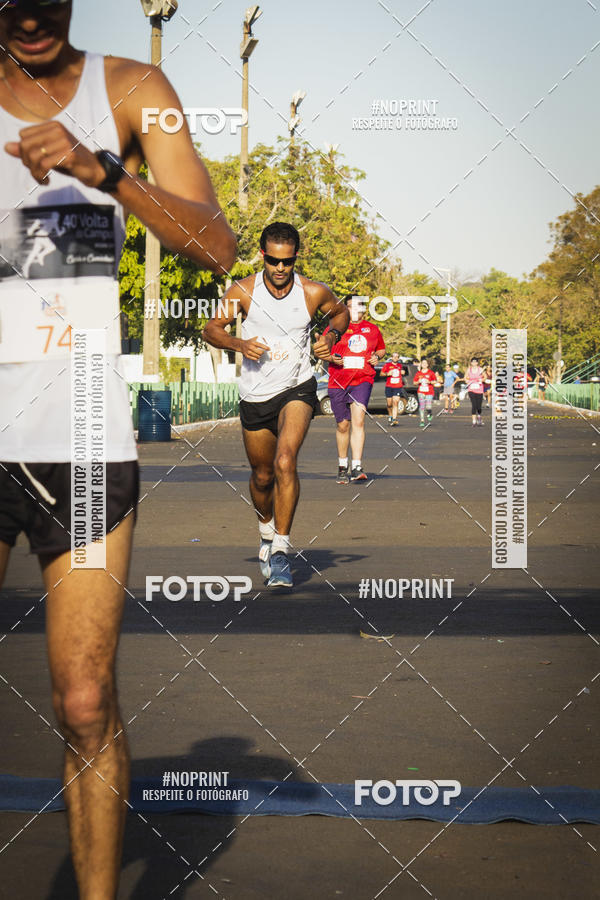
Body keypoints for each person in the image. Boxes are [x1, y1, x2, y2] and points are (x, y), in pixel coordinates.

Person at [0, 3, 236, 897]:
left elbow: (217, 245)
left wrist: (105, 171)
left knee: (86, 700)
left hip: (83, 440)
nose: (31, 15)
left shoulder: (134, 89)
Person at [203, 222, 349, 588]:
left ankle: (282, 549)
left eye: (287, 262)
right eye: (273, 261)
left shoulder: (312, 291)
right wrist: (239, 344)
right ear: (263, 256)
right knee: (262, 475)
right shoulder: (243, 291)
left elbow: (340, 313)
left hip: (296, 387)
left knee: (285, 460)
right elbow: (211, 329)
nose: (280, 268)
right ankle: (266, 532)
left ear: (296, 257)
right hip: (255, 394)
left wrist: (330, 335)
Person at [325, 295, 386, 483]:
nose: (355, 310)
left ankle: (357, 466)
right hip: (338, 381)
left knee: (358, 421)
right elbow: (321, 350)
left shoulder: (372, 329)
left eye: (359, 306)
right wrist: (331, 358)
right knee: (343, 425)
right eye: (351, 306)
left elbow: (381, 349)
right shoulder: (335, 328)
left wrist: (377, 357)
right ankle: (343, 465)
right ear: (345, 309)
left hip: (362, 379)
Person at [413, 358, 441, 427]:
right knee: (422, 406)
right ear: (421, 365)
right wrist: (418, 381)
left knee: (428, 406)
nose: (424, 364)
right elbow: (414, 383)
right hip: (421, 391)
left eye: (425, 363)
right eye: (423, 363)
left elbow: (435, 381)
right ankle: (422, 421)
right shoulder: (418, 373)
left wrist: (430, 382)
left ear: (427, 365)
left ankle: (429, 413)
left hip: (429, 392)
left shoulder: (431, 373)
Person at [381, 351, 406, 425]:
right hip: (389, 386)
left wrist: (403, 372)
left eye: (397, 357)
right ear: (391, 358)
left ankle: (394, 419)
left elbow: (403, 372)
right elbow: (381, 374)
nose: (395, 358)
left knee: (395, 402)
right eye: (394, 356)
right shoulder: (387, 365)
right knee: (389, 404)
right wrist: (387, 374)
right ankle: (390, 415)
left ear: (398, 358)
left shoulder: (400, 365)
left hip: (398, 386)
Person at [464, 357, 486, 425]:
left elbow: (485, 377)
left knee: (478, 406)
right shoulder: (469, 370)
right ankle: (474, 420)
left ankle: (479, 417)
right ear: (471, 363)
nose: (474, 363)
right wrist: (467, 381)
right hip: (471, 389)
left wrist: (481, 380)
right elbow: (465, 377)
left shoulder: (480, 369)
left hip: (479, 389)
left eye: (475, 362)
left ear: (477, 363)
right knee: (474, 404)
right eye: (472, 362)